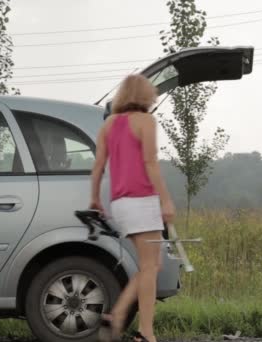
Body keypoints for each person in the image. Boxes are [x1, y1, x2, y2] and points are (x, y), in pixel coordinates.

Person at [90, 74, 175, 342]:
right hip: (142, 201)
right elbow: (151, 163)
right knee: (150, 267)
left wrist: (95, 199)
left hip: (121, 204)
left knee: (151, 265)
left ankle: (118, 314)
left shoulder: (109, 125)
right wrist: (166, 200)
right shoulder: (146, 121)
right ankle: (145, 332)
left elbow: (99, 165)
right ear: (145, 95)